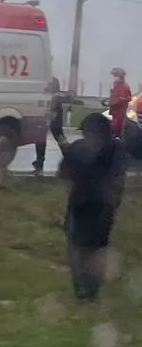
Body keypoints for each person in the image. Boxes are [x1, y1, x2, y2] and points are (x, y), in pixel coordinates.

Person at [52, 112, 126, 302]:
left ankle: (84, 289)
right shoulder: (116, 149)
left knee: (79, 246)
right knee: (94, 248)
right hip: (101, 208)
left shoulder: (82, 148)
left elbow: (63, 173)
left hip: (83, 206)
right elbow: (118, 180)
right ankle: (89, 290)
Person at [33, 76, 66, 174]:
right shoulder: (51, 79)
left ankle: (40, 162)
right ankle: (39, 162)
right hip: (50, 111)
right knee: (56, 136)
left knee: (50, 136)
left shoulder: (49, 80)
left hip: (51, 111)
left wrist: (51, 113)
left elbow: (53, 97)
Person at [108, 67, 132, 138]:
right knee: (114, 125)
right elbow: (113, 96)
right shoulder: (116, 85)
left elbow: (128, 98)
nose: (114, 78)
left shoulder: (124, 86)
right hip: (115, 110)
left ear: (120, 76)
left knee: (117, 126)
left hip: (120, 111)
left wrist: (120, 99)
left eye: (116, 76)